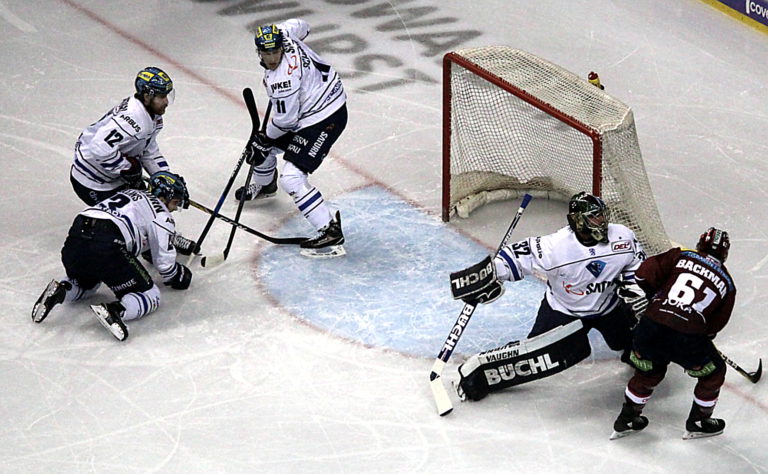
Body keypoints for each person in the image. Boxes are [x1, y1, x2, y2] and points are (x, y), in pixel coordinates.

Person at [449, 192, 647, 401]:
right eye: (594, 216)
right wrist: (490, 275)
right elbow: (517, 256)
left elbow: (636, 262)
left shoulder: (622, 236)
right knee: (533, 356)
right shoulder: (556, 247)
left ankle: (636, 351)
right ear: (578, 221)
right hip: (563, 309)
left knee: (629, 342)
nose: (602, 222)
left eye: (602, 215)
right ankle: (480, 376)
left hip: (608, 307)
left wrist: (632, 283)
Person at [31, 171, 193, 341]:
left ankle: (61, 290)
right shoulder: (161, 214)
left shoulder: (129, 193)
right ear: (163, 196)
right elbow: (165, 266)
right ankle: (115, 311)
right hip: (108, 244)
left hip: (75, 239)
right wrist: (179, 275)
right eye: (175, 202)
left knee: (87, 284)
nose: (174, 208)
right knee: (150, 295)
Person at [235, 19, 348, 258]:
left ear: (281, 47)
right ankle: (266, 184)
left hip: (325, 118)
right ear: (260, 51)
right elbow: (304, 25)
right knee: (261, 145)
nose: (273, 58)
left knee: (292, 177)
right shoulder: (284, 33)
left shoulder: (282, 80)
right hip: (315, 107)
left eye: (276, 51)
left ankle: (329, 228)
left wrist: (264, 139)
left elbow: (286, 122)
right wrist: (263, 140)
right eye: (268, 53)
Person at [610, 227, 735, 440]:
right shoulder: (728, 283)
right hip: (687, 338)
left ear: (699, 245)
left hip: (650, 327)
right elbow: (714, 328)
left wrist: (658, 299)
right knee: (713, 373)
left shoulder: (681, 255)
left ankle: (627, 419)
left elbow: (642, 275)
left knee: (648, 372)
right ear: (725, 254)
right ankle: (698, 421)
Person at [69, 66, 195, 255]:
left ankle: (162, 238)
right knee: (132, 218)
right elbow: (98, 147)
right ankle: (152, 248)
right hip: (93, 182)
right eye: (161, 96)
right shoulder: (133, 118)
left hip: (110, 176)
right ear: (147, 95)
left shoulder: (152, 117)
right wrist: (126, 167)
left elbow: (149, 151)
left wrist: (165, 177)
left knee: (151, 203)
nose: (166, 102)